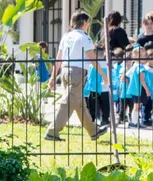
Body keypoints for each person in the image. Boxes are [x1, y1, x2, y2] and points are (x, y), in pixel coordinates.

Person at [45, 11, 110, 142]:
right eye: (88, 23)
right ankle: (52, 132)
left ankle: (93, 131)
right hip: (77, 73)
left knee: (80, 105)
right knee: (67, 103)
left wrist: (53, 77)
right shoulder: (85, 38)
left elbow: (59, 58)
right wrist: (104, 75)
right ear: (85, 22)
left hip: (65, 71)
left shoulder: (66, 36)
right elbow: (93, 59)